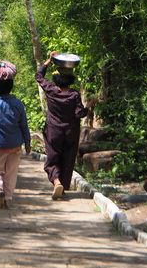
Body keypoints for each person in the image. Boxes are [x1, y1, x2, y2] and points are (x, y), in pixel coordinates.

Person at [35, 52, 88, 199]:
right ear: (71, 78)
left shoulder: (51, 90)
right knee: (68, 158)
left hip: (54, 130)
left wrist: (48, 61)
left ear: (56, 77)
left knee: (53, 157)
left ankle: (57, 182)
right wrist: (88, 107)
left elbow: (39, 76)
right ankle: (62, 186)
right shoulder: (74, 95)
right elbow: (79, 113)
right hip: (71, 132)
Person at [0, 61, 31, 209]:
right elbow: (24, 125)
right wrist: (27, 142)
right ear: (11, 85)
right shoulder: (18, 104)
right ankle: (6, 197)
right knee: (11, 173)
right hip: (15, 146)